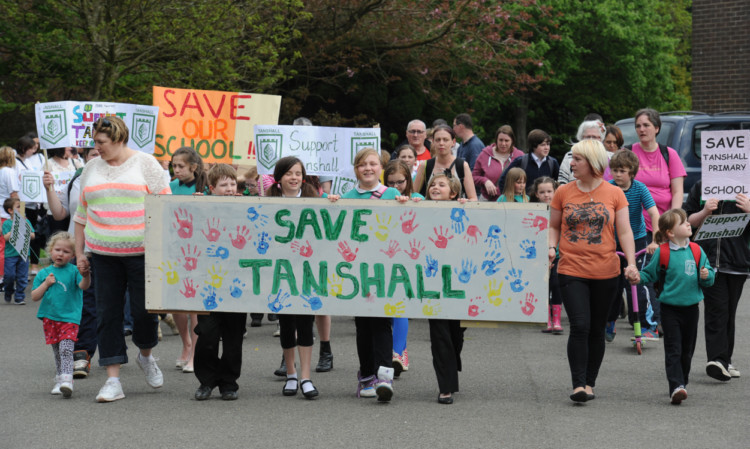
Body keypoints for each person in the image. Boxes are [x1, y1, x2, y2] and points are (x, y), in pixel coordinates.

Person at [74, 116, 170, 402]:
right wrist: (80, 253)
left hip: (142, 254)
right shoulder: (90, 167)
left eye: (101, 142)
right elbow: (81, 216)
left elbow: (165, 206)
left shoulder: (146, 164)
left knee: (143, 313)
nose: (96, 147)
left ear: (118, 139)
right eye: (94, 142)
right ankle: (113, 380)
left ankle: (145, 354)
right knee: (107, 315)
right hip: (102, 255)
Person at [548, 139, 637, 402]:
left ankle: (589, 383)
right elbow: (553, 226)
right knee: (580, 325)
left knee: (597, 328)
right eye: (572, 158)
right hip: (571, 269)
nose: (571, 163)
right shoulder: (563, 191)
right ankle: (577, 384)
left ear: (593, 162)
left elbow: (624, 231)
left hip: (606, 272)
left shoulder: (614, 193)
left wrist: (631, 263)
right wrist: (551, 246)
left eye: (577, 159)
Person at [327, 148, 413, 402]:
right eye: (362, 164)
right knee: (363, 325)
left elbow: (411, 219)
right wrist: (332, 206)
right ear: (355, 170)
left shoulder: (393, 194)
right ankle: (366, 377)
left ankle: (384, 376)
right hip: (357, 271)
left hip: (384, 269)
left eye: (373, 164)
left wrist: (412, 205)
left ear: (381, 169)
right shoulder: (346, 197)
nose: (368, 168)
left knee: (383, 322)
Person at [629, 209, 715, 404]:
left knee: (687, 350)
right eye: (683, 222)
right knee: (673, 348)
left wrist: (706, 275)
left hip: (692, 308)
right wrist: (636, 278)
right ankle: (676, 385)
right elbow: (649, 275)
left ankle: (682, 381)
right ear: (670, 232)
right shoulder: (663, 252)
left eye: (687, 222)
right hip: (669, 309)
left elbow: (709, 275)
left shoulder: (696, 250)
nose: (688, 224)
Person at [265, 156, 321, 399]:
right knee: (286, 324)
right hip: (280, 274)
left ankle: (306, 377)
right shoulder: (266, 202)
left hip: (307, 272)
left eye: (298, 173)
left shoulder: (314, 201)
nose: (294, 178)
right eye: (289, 173)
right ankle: (291, 373)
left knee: (305, 323)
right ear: (279, 177)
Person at [43, 147, 100, 379]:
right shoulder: (77, 178)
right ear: (85, 157)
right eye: (92, 153)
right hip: (79, 251)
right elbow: (60, 214)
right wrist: (49, 189)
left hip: (107, 250)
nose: (97, 157)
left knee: (107, 305)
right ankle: (81, 353)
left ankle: (114, 348)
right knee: (83, 303)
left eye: (100, 152)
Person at [684, 181, 750, 382]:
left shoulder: (746, 189)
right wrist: (705, 211)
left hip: (738, 261)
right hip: (708, 261)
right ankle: (717, 359)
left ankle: (725, 360)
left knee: (729, 311)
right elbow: (688, 221)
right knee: (717, 309)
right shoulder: (702, 186)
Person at [631, 108, 687, 337]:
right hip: (637, 224)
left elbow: (677, 192)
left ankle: (665, 319)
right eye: (638, 126)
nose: (641, 130)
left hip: (664, 224)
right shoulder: (630, 153)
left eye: (646, 125)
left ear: (656, 128)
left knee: (665, 273)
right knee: (644, 273)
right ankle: (650, 324)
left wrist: (672, 224)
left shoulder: (669, 154)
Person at [193, 164, 248, 401]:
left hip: (236, 284)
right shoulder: (202, 206)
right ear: (211, 188)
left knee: (234, 338)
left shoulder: (246, 207)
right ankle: (207, 380)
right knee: (206, 335)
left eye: (233, 184)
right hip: (209, 284)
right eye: (223, 185)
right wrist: (192, 204)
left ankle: (229, 382)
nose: (229, 189)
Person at [605, 150, 660, 342]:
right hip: (612, 241)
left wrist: (655, 240)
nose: (617, 174)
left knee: (636, 282)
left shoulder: (640, 188)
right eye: (614, 170)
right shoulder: (608, 188)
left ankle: (647, 325)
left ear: (632, 172)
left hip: (636, 240)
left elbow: (654, 213)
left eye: (622, 171)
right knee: (612, 284)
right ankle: (609, 321)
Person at [424, 173, 468, 404]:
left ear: (453, 193)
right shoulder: (420, 208)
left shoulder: (465, 211)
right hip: (433, 283)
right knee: (439, 334)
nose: (435, 187)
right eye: (433, 184)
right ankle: (446, 386)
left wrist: (469, 207)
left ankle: (453, 360)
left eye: (441, 185)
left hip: (460, 281)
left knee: (456, 333)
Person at [31, 232, 91, 398]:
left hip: (70, 318)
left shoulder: (73, 271)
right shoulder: (45, 274)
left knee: (66, 348)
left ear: (72, 255)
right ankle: (60, 379)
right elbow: (34, 296)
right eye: (57, 250)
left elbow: (84, 286)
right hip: (50, 318)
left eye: (65, 252)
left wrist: (86, 275)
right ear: (51, 251)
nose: (60, 254)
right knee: (57, 350)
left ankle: (67, 379)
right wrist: (46, 284)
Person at [168, 147, 207, 374]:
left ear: (193, 167)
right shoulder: (170, 187)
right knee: (177, 303)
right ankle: (186, 343)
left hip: (197, 251)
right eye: (174, 165)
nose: (176, 170)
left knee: (193, 304)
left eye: (181, 166)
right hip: (174, 249)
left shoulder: (205, 188)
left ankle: (194, 353)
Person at [383, 160, 424, 375]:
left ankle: (398, 352)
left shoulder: (418, 199)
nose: (396, 187)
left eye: (400, 182)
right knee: (386, 309)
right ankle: (401, 349)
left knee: (400, 306)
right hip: (384, 258)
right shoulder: (380, 198)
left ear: (408, 180)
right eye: (391, 183)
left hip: (408, 260)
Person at [530, 177, 563, 334]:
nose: (546, 195)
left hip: (557, 255)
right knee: (543, 287)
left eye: (549, 191)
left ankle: (556, 320)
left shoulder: (560, 210)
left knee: (556, 285)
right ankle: (546, 319)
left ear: (555, 191)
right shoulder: (533, 211)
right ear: (536, 194)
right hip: (538, 256)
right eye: (542, 192)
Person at [414, 125, 478, 201]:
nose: (441, 143)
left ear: (453, 142)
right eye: (438, 140)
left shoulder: (462, 165)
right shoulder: (425, 165)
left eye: (445, 140)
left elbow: (473, 198)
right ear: (433, 142)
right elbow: (413, 194)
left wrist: (466, 201)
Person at [14, 135, 45, 275]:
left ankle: (31, 265)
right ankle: (20, 268)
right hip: (21, 203)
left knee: (33, 235)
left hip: (33, 203)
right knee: (21, 235)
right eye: (31, 148)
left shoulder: (29, 161)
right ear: (24, 148)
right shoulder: (14, 162)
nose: (34, 151)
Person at [497, 129, 559, 194]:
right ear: (533, 146)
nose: (547, 148)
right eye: (543, 145)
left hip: (545, 203)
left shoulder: (552, 163)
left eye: (548, 144)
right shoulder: (521, 161)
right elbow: (503, 180)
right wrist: (508, 199)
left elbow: (558, 184)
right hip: (524, 202)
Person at [472, 125, 524, 201]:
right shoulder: (485, 154)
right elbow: (474, 177)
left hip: (512, 200)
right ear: (496, 140)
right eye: (500, 140)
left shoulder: (519, 156)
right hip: (488, 200)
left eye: (506, 141)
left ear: (512, 140)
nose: (503, 144)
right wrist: (485, 181)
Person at [3, 198, 35, 304]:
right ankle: (8, 290)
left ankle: (19, 296)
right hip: (10, 255)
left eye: (22, 206)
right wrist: (16, 227)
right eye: (18, 207)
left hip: (24, 253)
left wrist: (26, 230)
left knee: (22, 276)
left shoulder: (26, 221)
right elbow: (6, 237)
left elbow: (33, 235)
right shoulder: (7, 223)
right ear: (10, 211)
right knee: (9, 276)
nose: (21, 209)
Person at [557, 120, 606, 185]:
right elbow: (562, 181)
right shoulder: (569, 156)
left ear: (601, 139)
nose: (590, 140)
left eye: (594, 137)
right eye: (588, 137)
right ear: (581, 138)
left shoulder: (608, 157)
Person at [0, 146, 20, 282]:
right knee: (8, 248)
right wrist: (21, 213)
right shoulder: (9, 172)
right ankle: (4, 277)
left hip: (1, 212)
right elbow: (14, 194)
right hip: (8, 214)